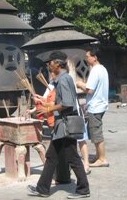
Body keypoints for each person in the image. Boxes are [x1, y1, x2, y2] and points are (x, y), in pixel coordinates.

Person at [27, 51, 90, 199]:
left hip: (65, 124)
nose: (49, 65)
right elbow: (59, 102)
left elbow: (66, 104)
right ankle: (42, 188)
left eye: (50, 63)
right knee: (51, 157)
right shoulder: (63, 79)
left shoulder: (63, 80)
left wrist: (48, 108)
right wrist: (45, 103)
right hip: (62, 124)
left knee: (73, 157)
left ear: (58, 63)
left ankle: (83, 189)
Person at [76, 48, 109, 168]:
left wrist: (80, 84)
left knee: (96, 133)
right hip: (101, 104)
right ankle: (98, 155)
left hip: (96, 106)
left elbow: (90, 90)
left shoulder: (96, 70)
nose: (86, 59)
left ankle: (102, 158)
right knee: (95, 132)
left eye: (88, 56)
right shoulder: (103, 69)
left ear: (94, 57)